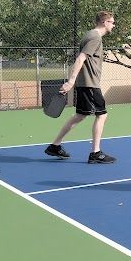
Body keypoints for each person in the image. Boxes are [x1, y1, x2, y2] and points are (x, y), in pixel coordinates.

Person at [44, 11, 117, 163]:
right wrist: (70, 82)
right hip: (90, 85)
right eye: (112, 22)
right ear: (104, 22)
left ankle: (55, 146)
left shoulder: (88, 35)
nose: (113, 25)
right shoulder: (95, 37)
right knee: (102, 115)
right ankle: (95, 153)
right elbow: (80, 59)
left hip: (86, 84)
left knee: (80, 115)